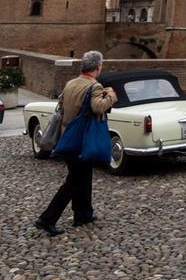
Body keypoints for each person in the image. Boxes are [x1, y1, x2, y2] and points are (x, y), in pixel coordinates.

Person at [34, 50, 117, 235]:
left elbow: (62, 105)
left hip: (67, 135)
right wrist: (111, 96)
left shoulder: (71, 83)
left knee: (84, 176)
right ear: (98, 67)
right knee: (74, 181)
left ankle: (83, 213)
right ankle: (47, 218)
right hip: (82, 138)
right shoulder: (94, 86)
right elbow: (98, 107)